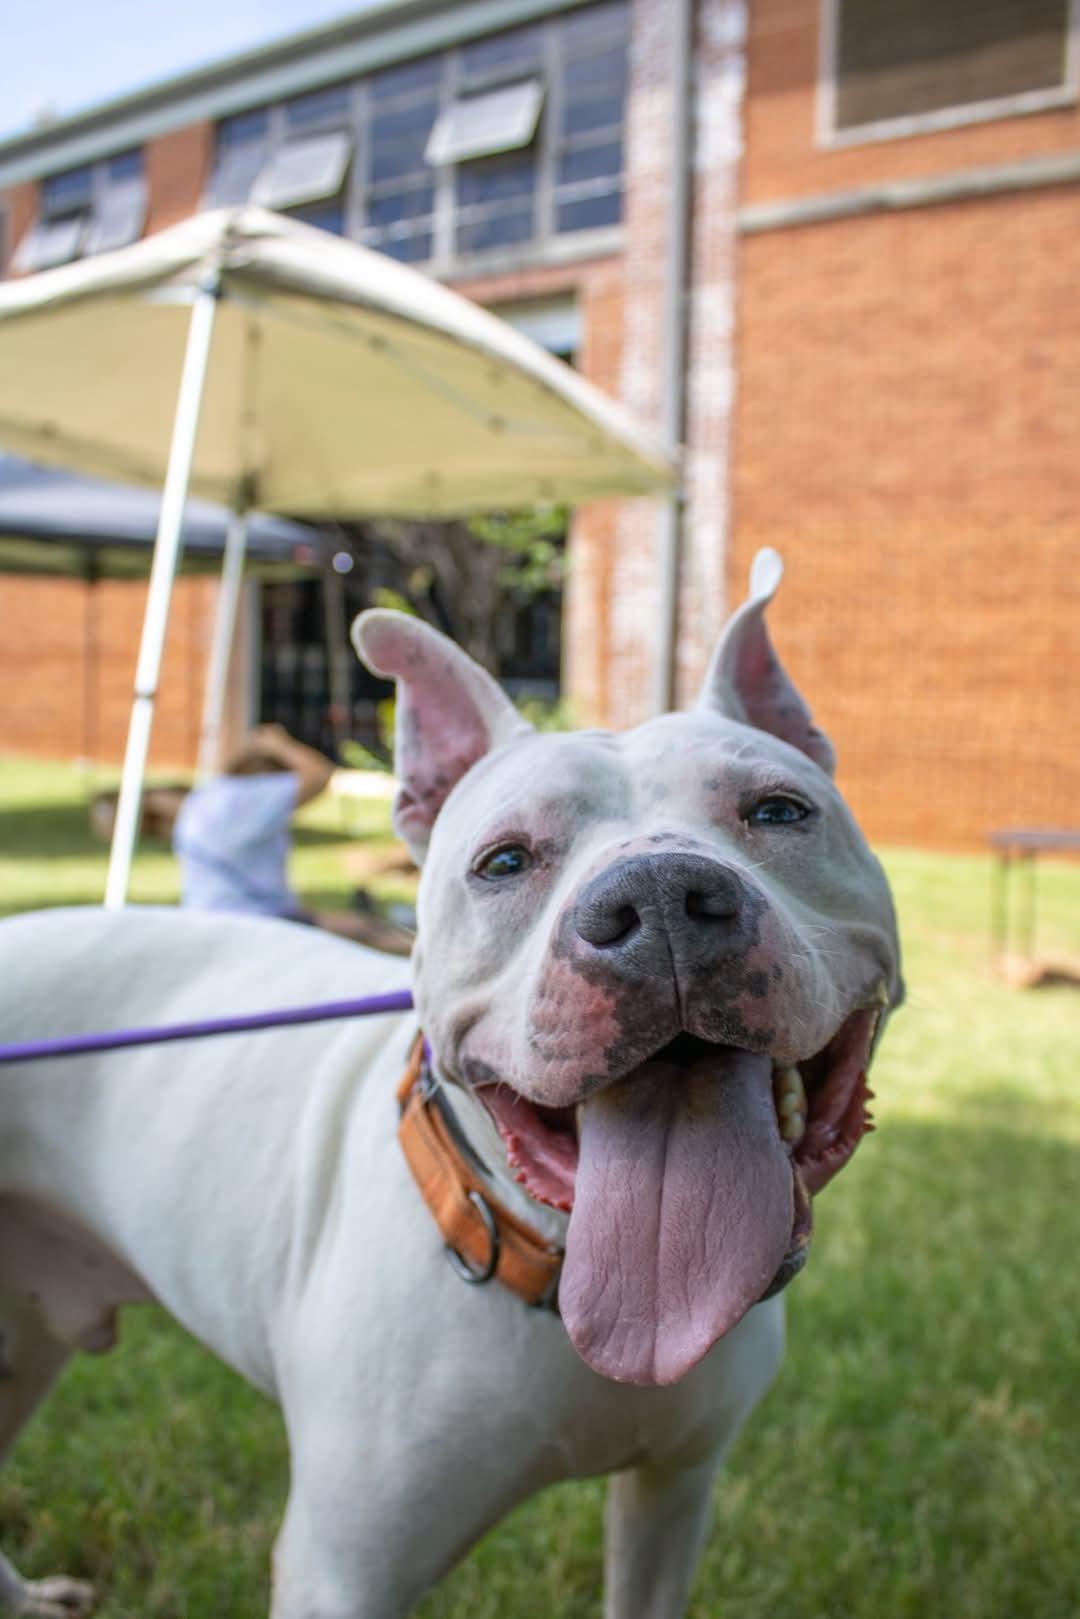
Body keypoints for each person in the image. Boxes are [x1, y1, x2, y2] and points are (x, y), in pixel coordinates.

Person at [172, 724, 413, 954]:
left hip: (209, 912)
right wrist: (281, 745)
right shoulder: (253, 797)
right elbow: (319, 775)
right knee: (367, 933)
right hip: (252, 919)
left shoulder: (208, 796)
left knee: (353, 925)